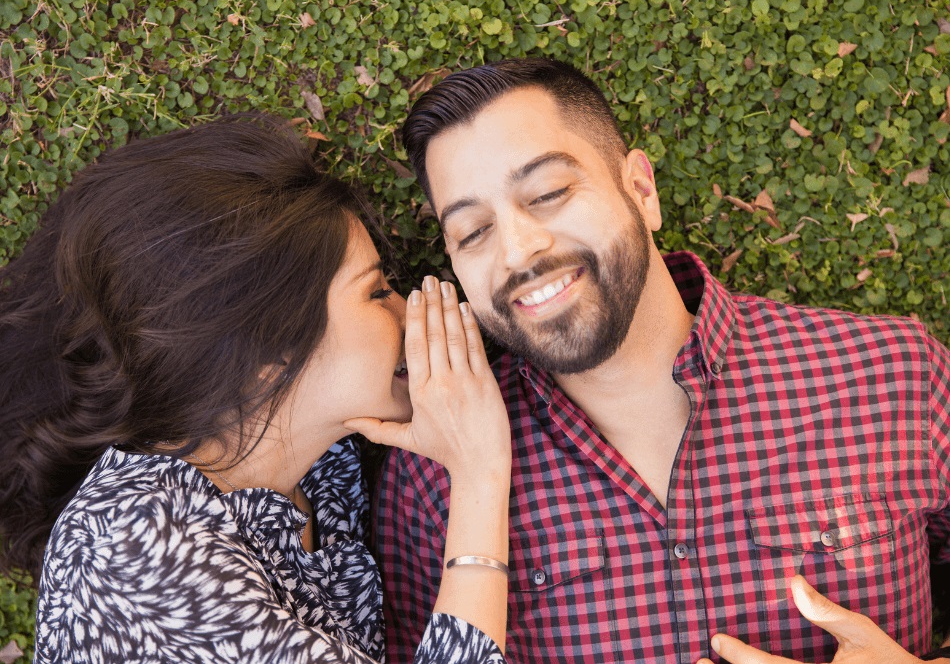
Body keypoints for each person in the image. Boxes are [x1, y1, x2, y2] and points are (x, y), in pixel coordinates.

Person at [375, 58, 950, 664]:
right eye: (472, 232)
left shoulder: (893, 373)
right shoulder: (435, 476)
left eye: (547, 194)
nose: (518, 251)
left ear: (641, 191)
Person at [0, 114, 512, 663]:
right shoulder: (139, 553)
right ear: (267, 351)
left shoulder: (322, 466)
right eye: (375, 292)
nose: (411, 312)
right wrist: (479, 473)